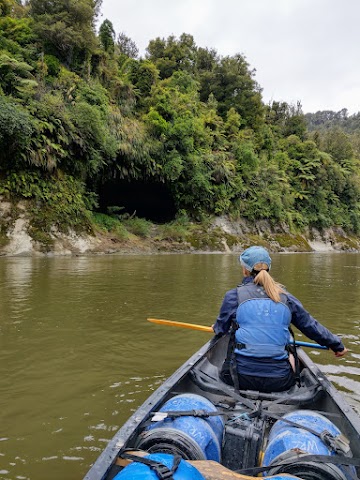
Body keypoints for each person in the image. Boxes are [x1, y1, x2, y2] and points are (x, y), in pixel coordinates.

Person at [212, 246, 348, 393]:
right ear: (268, 268)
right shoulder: (286, 297)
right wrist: (337, 345)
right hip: (280, 381)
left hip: (237, 378)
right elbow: (310, 326)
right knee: (290, 354)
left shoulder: (233, 297)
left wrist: (217, 327)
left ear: (245, 270)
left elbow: (220, 330)